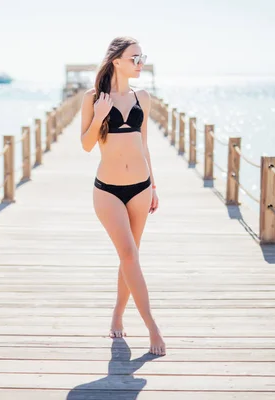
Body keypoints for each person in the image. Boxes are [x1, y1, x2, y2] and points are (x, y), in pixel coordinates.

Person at [79, 36, 166, 356]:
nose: (140, 63)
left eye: (142, 57)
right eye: (134, 58)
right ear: (116, 61)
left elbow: (144, 145)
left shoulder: (142, 97)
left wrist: (154, 186)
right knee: (129, 254)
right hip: (108, 191)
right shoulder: (93, 98)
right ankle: (152, 327)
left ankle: (117, 312)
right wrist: (101, 115)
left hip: (141, 188)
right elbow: (87, 145)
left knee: (129, 257)